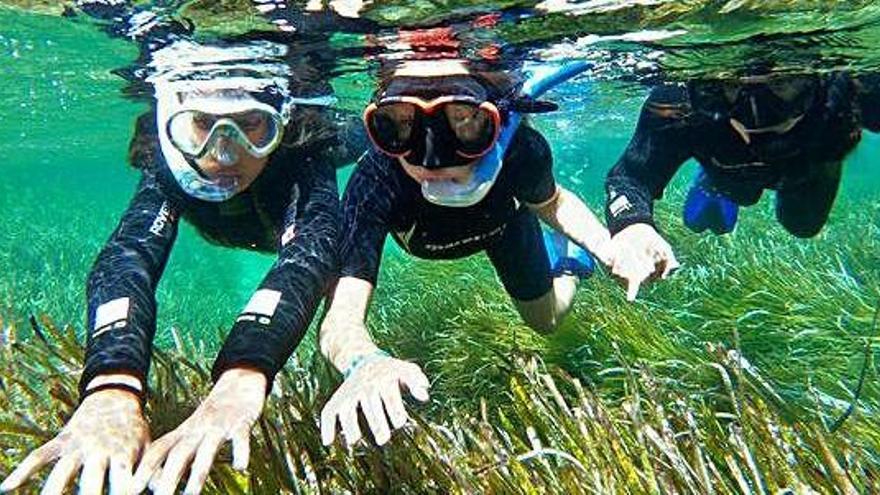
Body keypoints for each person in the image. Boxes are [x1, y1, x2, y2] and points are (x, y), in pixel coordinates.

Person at [0, 38, 362, 495]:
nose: (225, 155)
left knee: (366, 136)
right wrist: (112, 386)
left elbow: (308, 254)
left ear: (281, 124)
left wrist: (243, 373)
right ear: (172, 121)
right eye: (201, 127)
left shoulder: (303, 153)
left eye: (253, 126)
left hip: (310, 157)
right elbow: (128, 255)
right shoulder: (168, 166)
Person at [317, 58, 613, 448]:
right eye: (401, 124)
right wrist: (364, 362)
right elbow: (340, 320)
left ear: (494, 121)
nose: (432, 156)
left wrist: (610, 249)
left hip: (504, 226)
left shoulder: (521, 150)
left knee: (547, 322)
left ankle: (570, 264)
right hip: (466, 231)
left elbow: (552, 204)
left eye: (463, 121)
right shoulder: (375, 181)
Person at [604, 68, 880, 300]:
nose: (757, 113)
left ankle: (722, 176)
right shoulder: (681, 105)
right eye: (732, 83)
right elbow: (630, 177)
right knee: (742, 193)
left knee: (802, 225)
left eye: (783, 81)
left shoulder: (851, 89)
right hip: (729, 166)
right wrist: (632, 225)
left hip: (807, 165)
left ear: (820, 80)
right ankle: (711, 180)